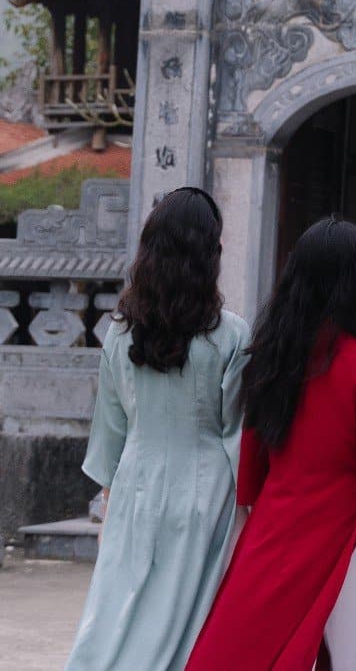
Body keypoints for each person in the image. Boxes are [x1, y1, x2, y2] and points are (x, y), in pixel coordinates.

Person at [186, 217, 356, 671]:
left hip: (272, 531)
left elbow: (251, 471)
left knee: (236, 652)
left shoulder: (272, 359)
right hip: (348, 536)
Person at [63, 187, 250, 671]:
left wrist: (108, 502)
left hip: (135, 486)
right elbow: (238, 430)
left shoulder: (121, 332)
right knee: (183, 619)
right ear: (210, 253)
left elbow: (111, 426)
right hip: (207, 490)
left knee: (115, 612)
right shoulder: (231, 334)